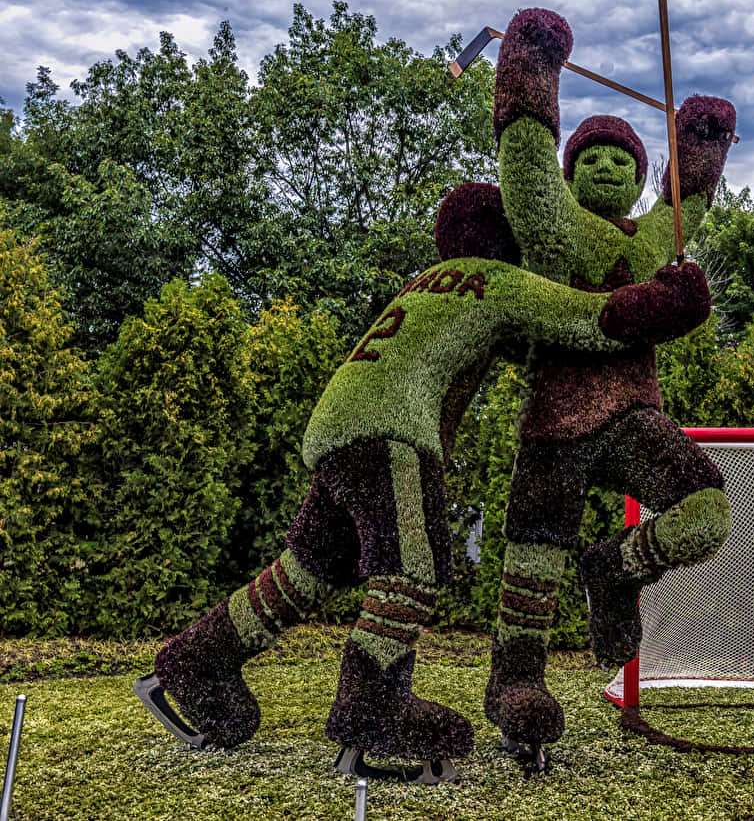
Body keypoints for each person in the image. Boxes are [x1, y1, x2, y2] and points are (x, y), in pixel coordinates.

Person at [135, 181, 713, 784]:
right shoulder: (496, 279)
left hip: (336, 425)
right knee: (416, 567)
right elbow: (591, 320)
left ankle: (198, 663)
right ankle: (373, 708)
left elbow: (512, 342)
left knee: (307, 572)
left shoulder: (427, 284)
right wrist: (670, 300)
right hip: (392, 430)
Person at [484, 7, 737, 769]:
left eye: (621, 160)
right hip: (554, 422)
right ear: (571, 172)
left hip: (634, 416)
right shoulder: (553, 225)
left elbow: (686, 207)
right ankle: (515, 685)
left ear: (638, 177)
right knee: (531, 561)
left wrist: (699, 147)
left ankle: (615, 567)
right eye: (590, 157)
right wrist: (530, 67)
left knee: (707, 510)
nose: (606, 168)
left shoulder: (653, 239)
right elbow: (524, 168)